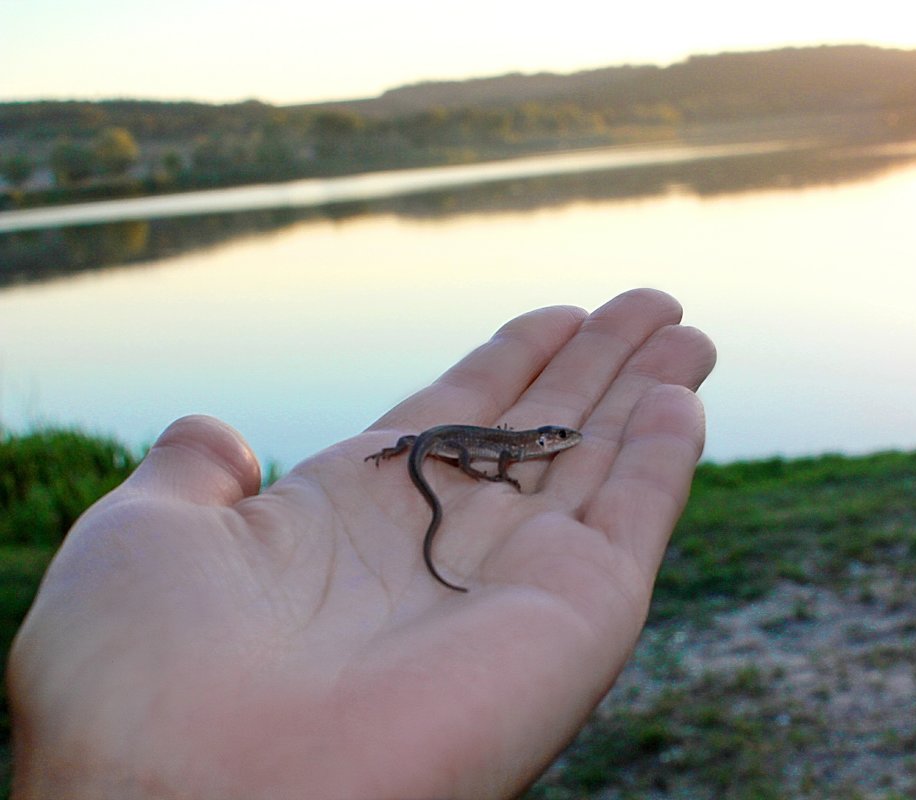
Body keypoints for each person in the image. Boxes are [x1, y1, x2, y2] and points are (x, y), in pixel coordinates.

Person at [7, 288, 717, 799]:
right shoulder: (512, 447)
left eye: (556, 439)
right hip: (442, 444)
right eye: (555, 438)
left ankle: (406, 460)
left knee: (424, 450)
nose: (558, 443)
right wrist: (472, 466)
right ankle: (414, 465)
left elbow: (450, 444)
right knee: (444, 457)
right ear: (541, 440)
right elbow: (480, 452)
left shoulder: (519, 445)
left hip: (430, 440)